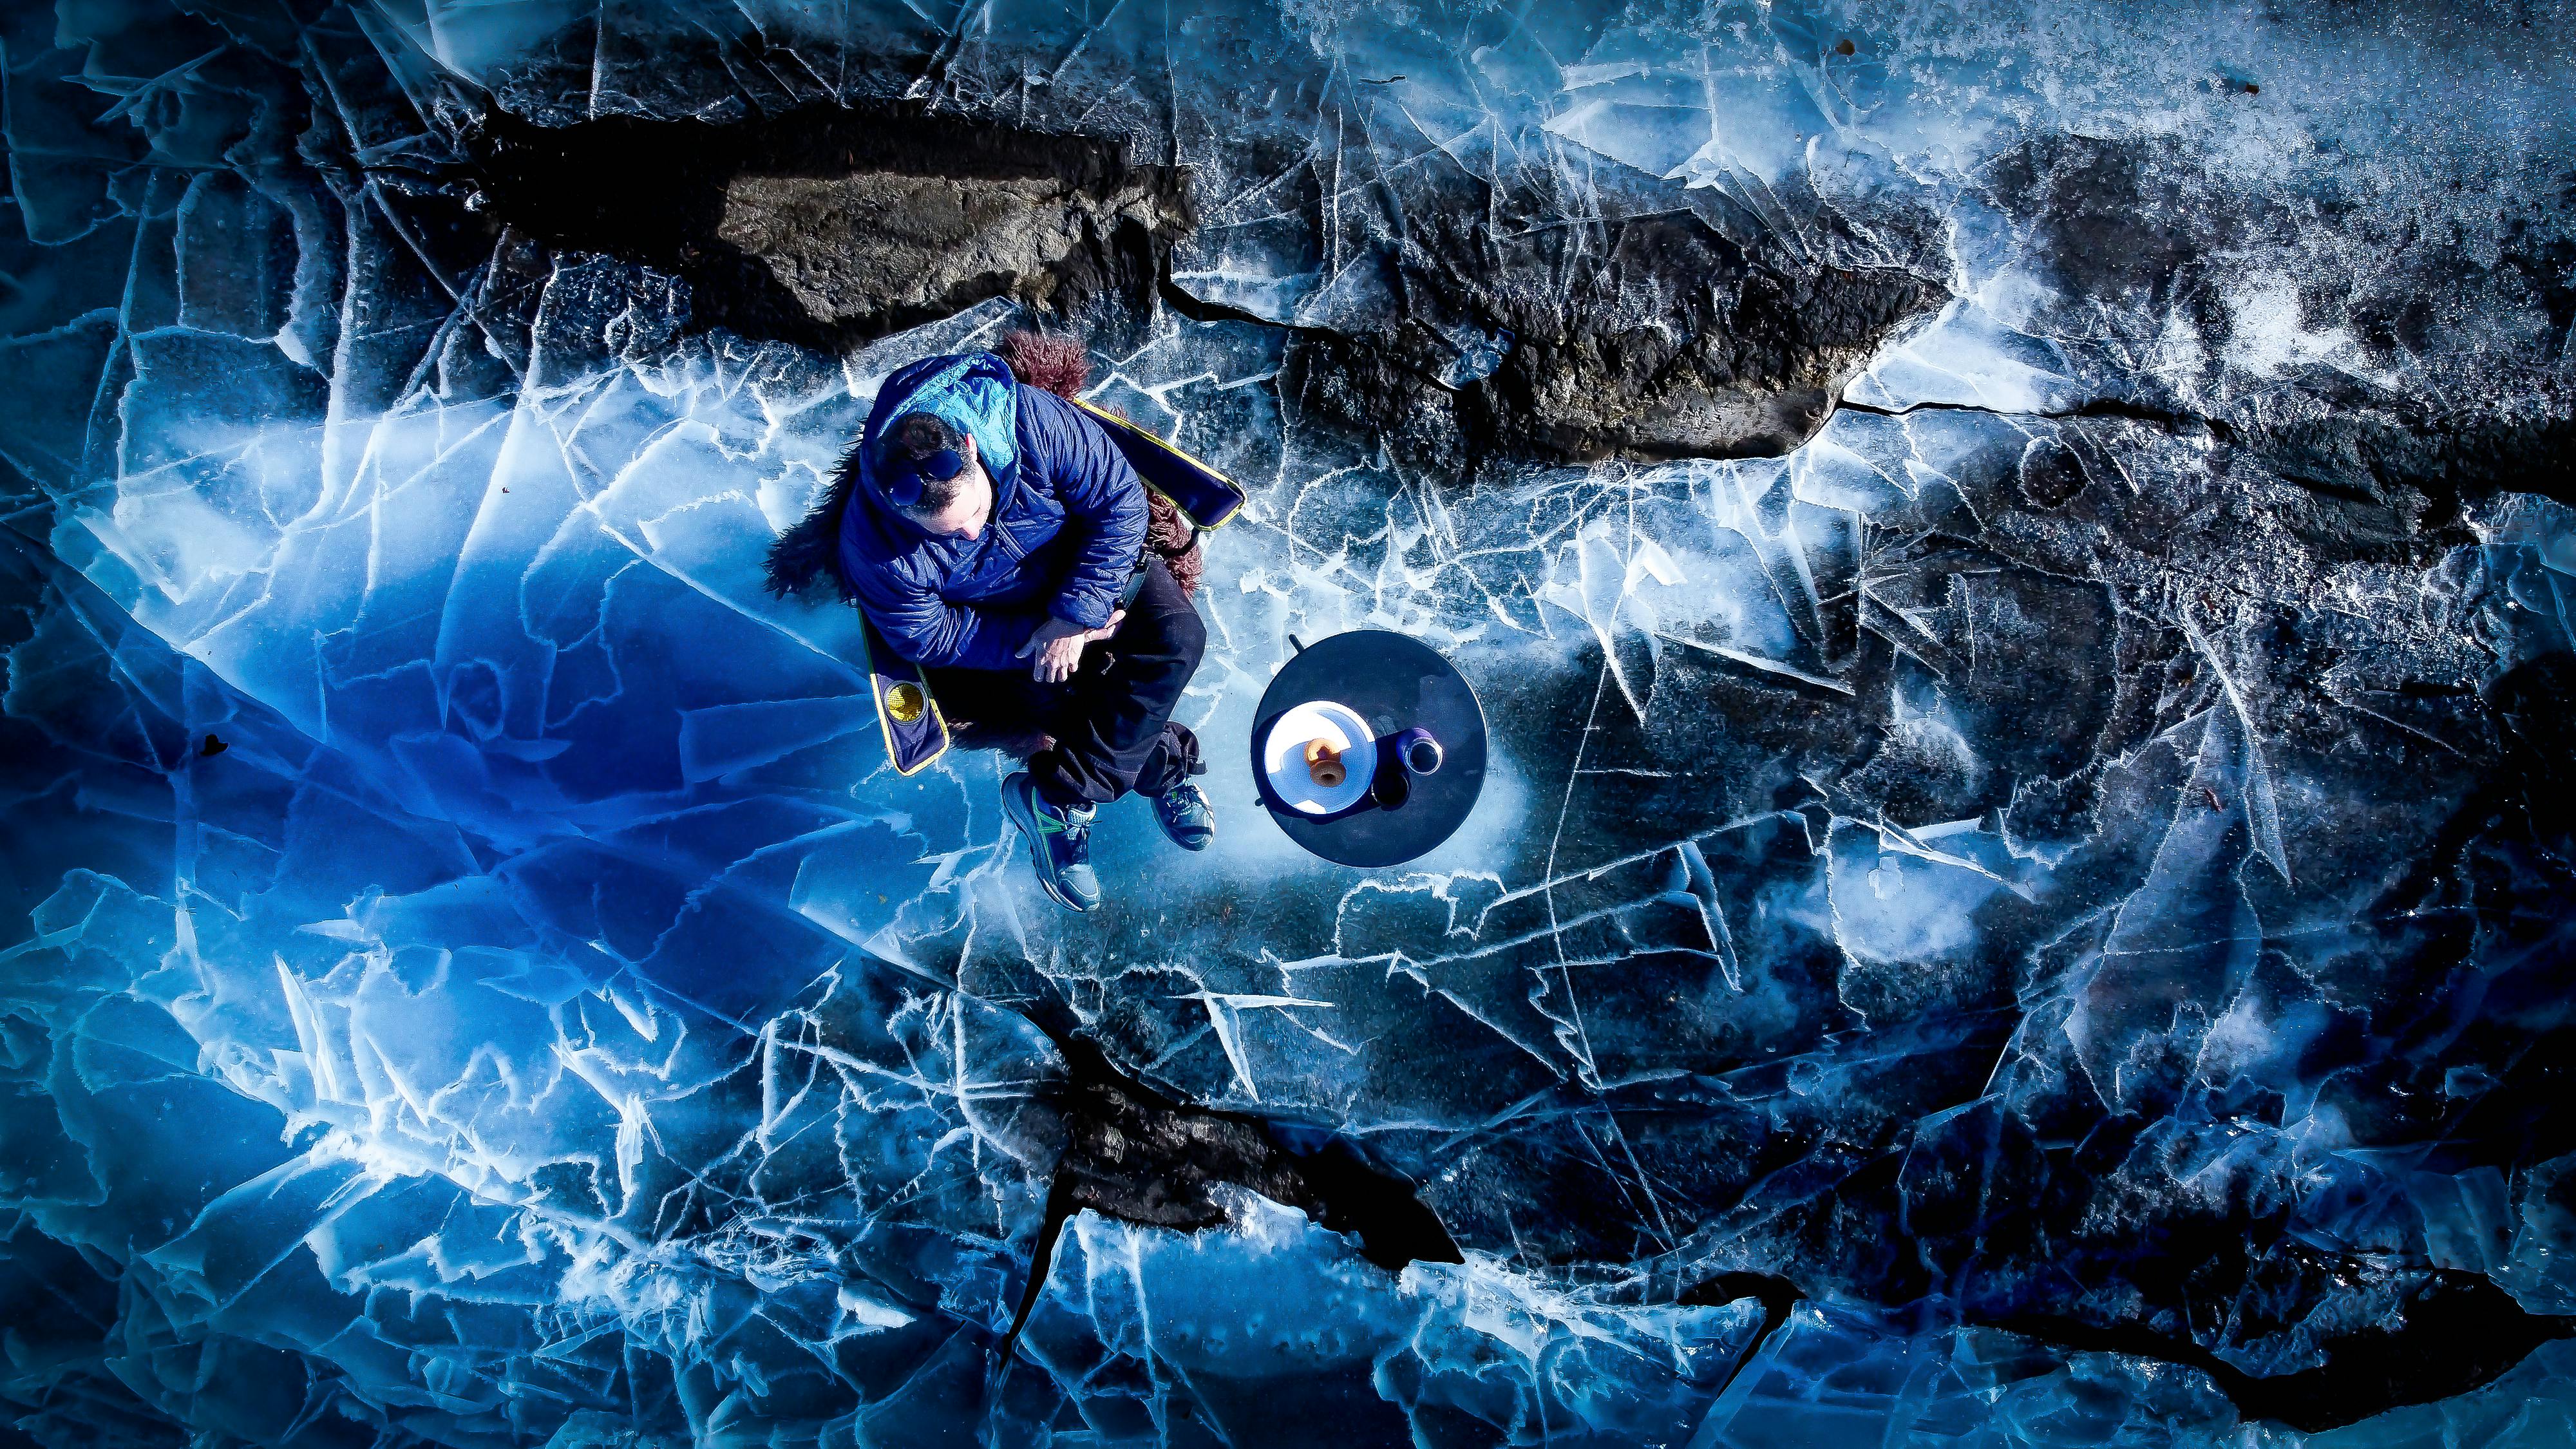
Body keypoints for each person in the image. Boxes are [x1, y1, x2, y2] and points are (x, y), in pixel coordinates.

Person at [764, 348, 1214, 913]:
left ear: (972, 449)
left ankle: (1060, 797)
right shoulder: (875, 547)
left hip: (1092, 568)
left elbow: (1118, 503)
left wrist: (1077, 614)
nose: (973, 534)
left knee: (1179, 639)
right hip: (1003, 625)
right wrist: (1038, 637)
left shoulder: (1034, 423)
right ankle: (1162, 768)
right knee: (1072, 705)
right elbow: (927, 636)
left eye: (976, 512)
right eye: (951, 534)